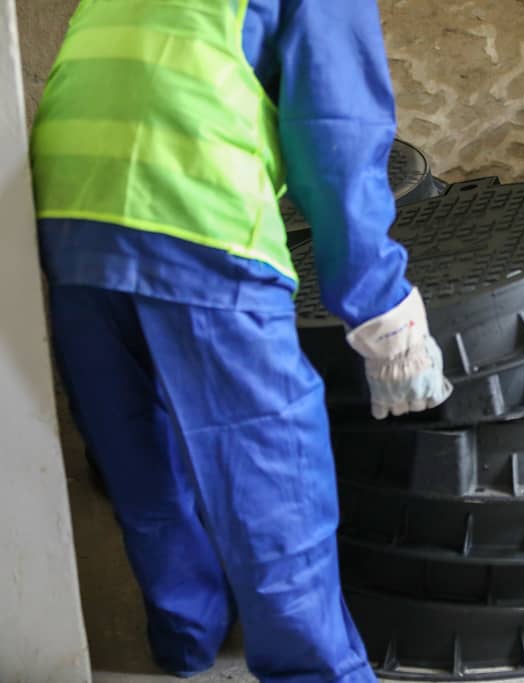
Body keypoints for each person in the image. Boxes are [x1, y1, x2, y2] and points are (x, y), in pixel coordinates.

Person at [30, 1, 451, 680]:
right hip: (191, 202)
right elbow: (335, 133)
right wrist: (381, 309)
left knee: (140, 456)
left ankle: (185, 639)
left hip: (69, 212)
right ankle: (316, 672)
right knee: (269, 473)